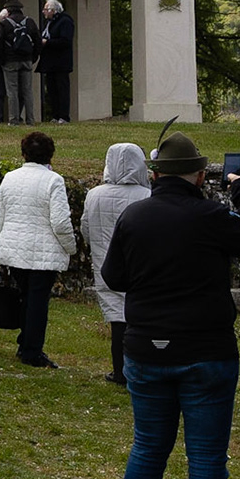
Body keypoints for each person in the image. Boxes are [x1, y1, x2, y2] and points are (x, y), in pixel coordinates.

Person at [102, 131, 240, 479]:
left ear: (156, 174)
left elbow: (113, 276)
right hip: (205, 348)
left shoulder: (134, 217)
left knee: (148, 448)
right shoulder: (211, 216)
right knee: (207, 457)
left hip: (146, 345)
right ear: (199, 175)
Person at [0, 130, 76, 368]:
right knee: (37, 302)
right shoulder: (53, 181)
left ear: (24, 153)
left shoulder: (10, 177)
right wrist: (71, 247)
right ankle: (32, 351)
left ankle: (25, 343)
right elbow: (60, 222)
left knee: (27, 297)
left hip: (14, 249)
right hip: (42, 254)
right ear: (50, 155)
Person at [84, 143, 153, 385]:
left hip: (107, 264)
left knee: (117, 321)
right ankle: (142, 368)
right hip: (142, 266)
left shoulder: (94, 195)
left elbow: (86, 229)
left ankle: (119, 370)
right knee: (141, 318)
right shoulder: (148, 196)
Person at [0, 0, 40, 126]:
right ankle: (30, 120)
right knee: (27, 91)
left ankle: (14, 120)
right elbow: (37, 41)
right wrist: (33, 57)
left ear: (8, 10)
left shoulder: (4, 24)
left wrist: (1, 60)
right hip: (26, 60)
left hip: (10, 61)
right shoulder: (30, 22)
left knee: (12, 91)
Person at [38, 0, 75, 123]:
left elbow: (65, 41)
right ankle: (55, 115)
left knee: (62, 89)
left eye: (46, 9)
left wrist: (47, 42)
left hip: (61, 63)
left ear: (53, 10)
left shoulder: (65, 21)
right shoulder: (50, 22)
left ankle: (64, 116)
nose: (43, 12)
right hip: (51, 63)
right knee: (52, 89)